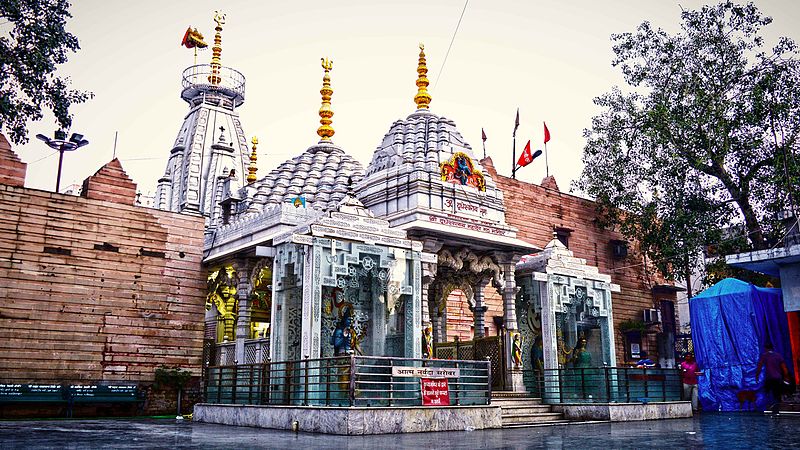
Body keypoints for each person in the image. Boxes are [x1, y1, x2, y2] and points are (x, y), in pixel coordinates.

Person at [756, 342, 789, 413]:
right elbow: (784, 368)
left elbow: (759, 367)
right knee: (776, 394)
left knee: (766, 392)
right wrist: (786, 377)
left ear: (766, 348)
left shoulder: (764, 356)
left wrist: (757, 376)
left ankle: (767, 407)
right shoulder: (778, 356)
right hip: (778, 378)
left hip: (769, 378)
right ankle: (776, 411)